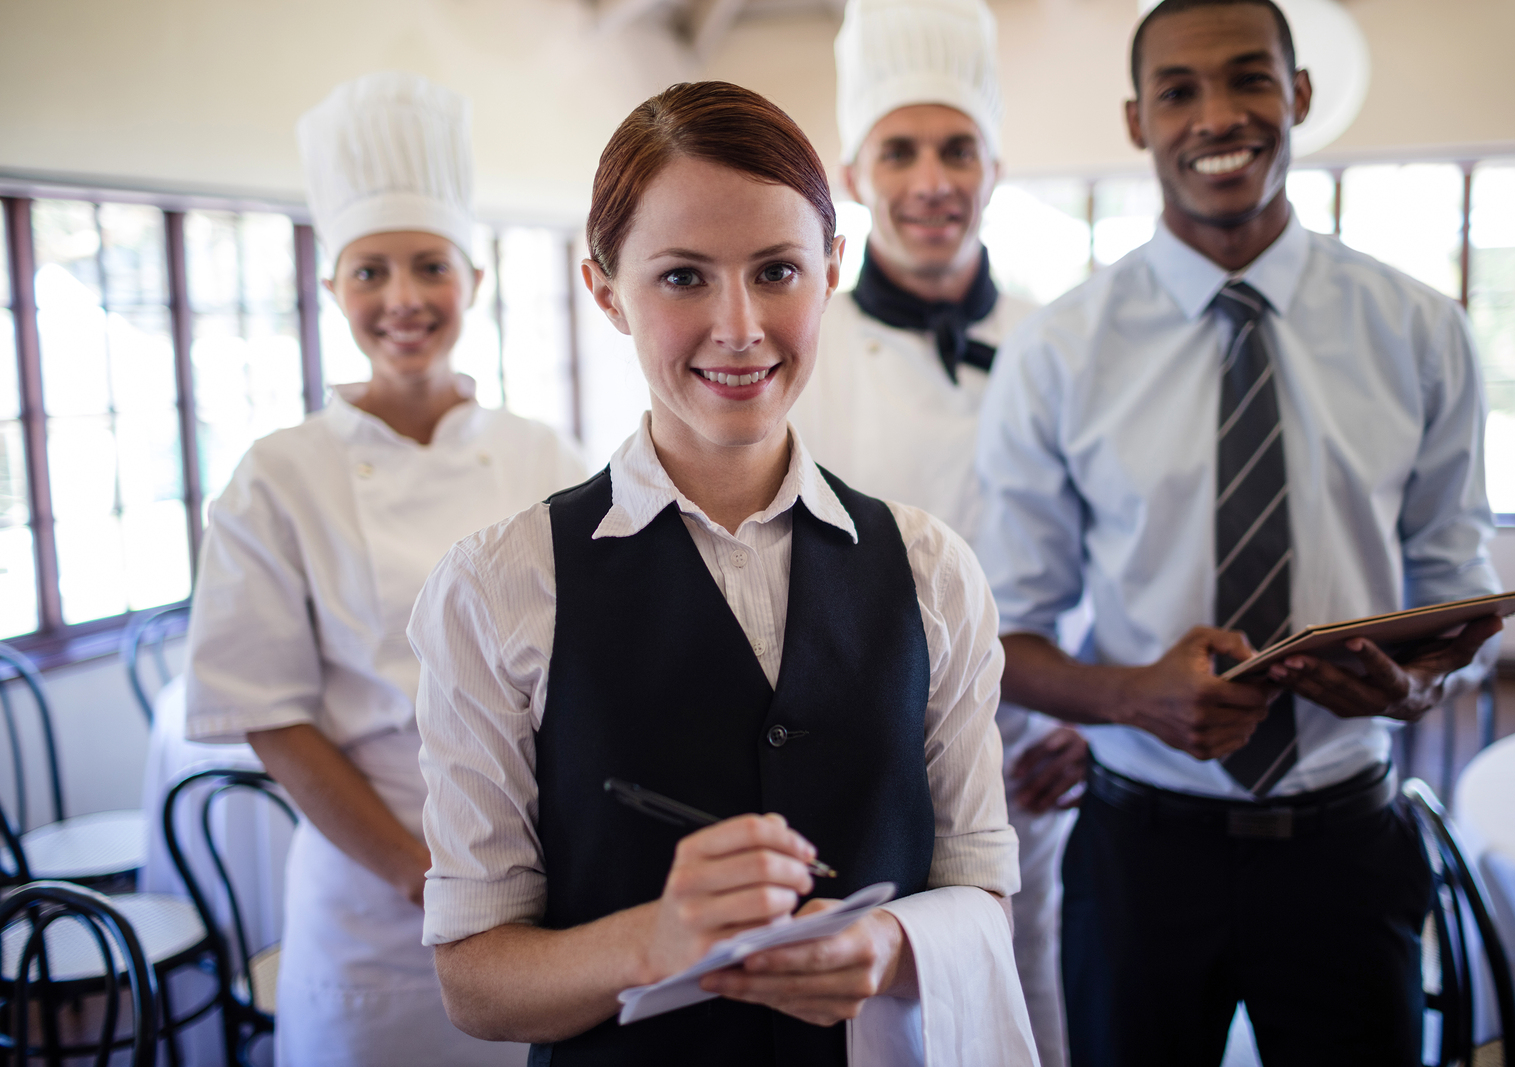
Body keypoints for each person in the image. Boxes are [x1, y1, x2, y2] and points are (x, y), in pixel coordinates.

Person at [407, 80, 1038, 1067]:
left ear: (830, 270)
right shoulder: (499, 585)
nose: (740, 326)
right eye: (684, 277)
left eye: (777, 270)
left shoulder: (932, 570)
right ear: (605, 289)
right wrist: (654, 940)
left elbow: (983, 892)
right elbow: (476, 982)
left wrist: (890, 942)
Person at [973, 1, 1504, 1064]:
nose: (1218, 115)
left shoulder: (1417, 331)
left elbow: (1458, 587)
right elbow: (998, 636)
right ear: (1137, 119)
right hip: (1138, 858)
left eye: (1249, 79)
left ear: (1297, 93)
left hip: (1351, 845)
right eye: (1178, 89)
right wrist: (1133, 696)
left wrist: (1417, 685)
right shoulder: (1057, 354)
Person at [184, 72, 587, 1066]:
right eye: (368, 272)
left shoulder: (547, 454)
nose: (402, 299)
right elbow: (275, 716)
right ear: (331, 290)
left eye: (428, 266)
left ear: (474, 280)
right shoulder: (279, 474)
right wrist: (424, 876)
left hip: (550, 875)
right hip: (374, 895)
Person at [787, 1, 1085, 1061]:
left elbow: (1113, 540)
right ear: (856, 175)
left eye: (957, 148)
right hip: (850, 752)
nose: (931, 180)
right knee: (862, 1008)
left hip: (1027, 751)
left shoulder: (1056, 334)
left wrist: (1089, 714)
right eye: (899, 150)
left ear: (993, 166)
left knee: (1019, 983)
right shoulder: (801, 344)